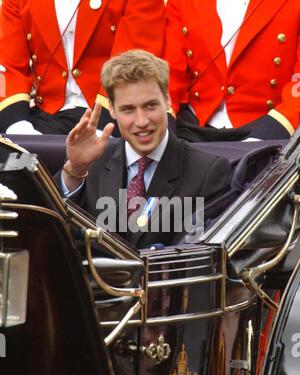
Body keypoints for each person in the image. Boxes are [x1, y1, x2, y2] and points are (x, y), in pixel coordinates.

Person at [55, 50, 232, 249]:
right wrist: (75, 171)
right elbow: (57, 236)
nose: (142, 121)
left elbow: (197, 257)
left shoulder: (207, 172)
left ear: (167, 100)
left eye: (150, 106)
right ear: (111, 109)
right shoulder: (92, 162)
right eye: (128, 109)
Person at [0, 0, 165, 135]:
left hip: (116, 113)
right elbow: (6, 65)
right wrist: (18, 126)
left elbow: (134, 64)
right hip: (48, 114)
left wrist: (101, 128)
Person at [163, 0, 300, 142]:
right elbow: (171, 71)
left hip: (269, 127)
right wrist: (164, 118)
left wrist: (276, 126)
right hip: (194, 126)